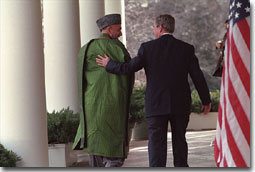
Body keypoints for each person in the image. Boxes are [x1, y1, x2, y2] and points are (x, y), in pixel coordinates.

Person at [96, 14, 211, 167]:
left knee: (157, 146)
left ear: (160, 27)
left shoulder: (147, 48)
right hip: (180, 104)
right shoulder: (186, 49)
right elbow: (198, 76)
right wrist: (206, 100)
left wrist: (109, 64)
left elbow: (129, 68)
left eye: (154, 27)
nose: (154, 30)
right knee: (180, 142)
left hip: (156, 105)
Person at [72, 14, 134, 167]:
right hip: (112, 105)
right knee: (114, 153)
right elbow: (129, 69)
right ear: (108, 28)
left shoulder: (86, 48)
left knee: (96, 149)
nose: (120, 33)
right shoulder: (116, 47)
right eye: (118, 29)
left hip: (91, 105)